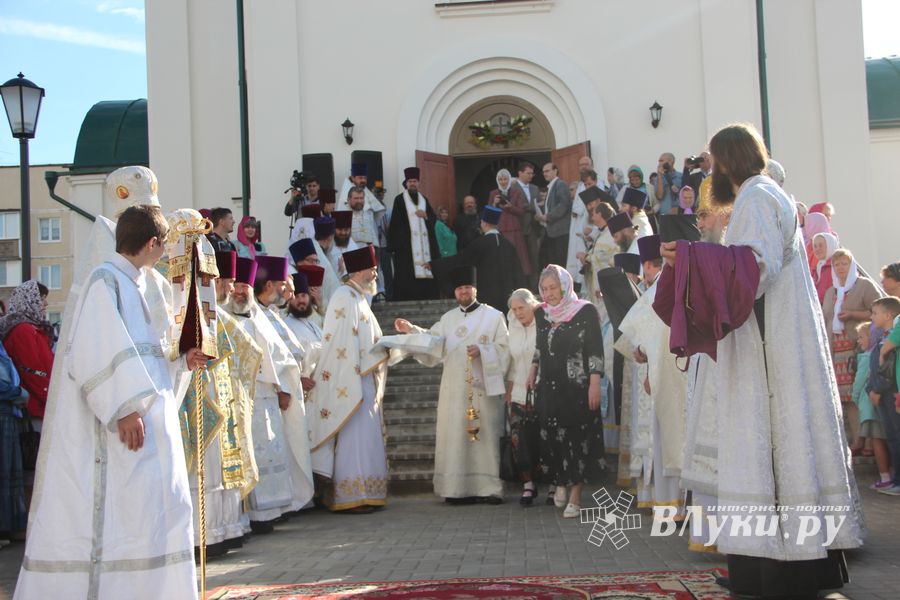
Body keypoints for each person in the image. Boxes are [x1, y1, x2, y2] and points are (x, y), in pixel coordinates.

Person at [658, 123, 862, 599]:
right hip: (776, 339)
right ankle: (775, 566)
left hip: (767, 351)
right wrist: (693, 258)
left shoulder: (755, 196)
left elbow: (754, 266)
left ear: (728, 160)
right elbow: (748, 262)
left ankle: (777, 569)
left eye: (712, 163)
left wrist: (689, 258)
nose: (709, 172)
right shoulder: (767, 194)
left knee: (768, 445)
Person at [16, 205, 206, 599]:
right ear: (151, 243)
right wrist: (124, 408)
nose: (164, 253)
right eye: (163, 245)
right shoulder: (106, 281)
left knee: (155, 513)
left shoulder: (132, 283)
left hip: (147, 430)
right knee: (127, 518)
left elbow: (145, 359)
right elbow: (95, 351)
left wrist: (181, 363)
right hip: (122, 432)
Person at [394, 265, 510, 504]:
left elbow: (506, 349)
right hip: (454, 389)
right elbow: (432, 341)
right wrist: (411, 330)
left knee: (484, 436)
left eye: (467, 287)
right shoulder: (448, 319)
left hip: (482, 389)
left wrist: (484, 351)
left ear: (475, 289)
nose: (464, 291)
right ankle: (456, 489)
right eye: (459, 288)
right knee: (455, 436)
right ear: (454, 292)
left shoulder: (494, 316)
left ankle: (489, 488)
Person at [224, 257, 312, 533]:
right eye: (237, 286)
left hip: (266, 398)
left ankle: (274, 510)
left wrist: (281, 387)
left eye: (245, 287)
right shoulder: (223, 318)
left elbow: (279, 355)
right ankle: (253, 516)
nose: (240, 292)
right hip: (239, 399)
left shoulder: (259, 317)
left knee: (271, 453)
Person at [190, 250, 261, 558]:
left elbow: (250, 352)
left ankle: (224, 530)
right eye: (226, 282)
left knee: (221, 469)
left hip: (223, 398)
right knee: (205, 470)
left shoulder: (219, 316)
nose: (231, 288)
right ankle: (204, 535)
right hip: (200, 399)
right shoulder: (196, 311)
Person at [308, 246, 390, 512]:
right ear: (359, 271)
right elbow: (339, 343)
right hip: (350, 380)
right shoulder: (344, 297)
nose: (375, 274)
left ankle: (368, 492)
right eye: (372, 270)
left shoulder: (360, 298)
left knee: (366, 438)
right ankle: (350, 496)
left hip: (365, 378)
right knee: (353, 438)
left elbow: (369, 339)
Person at [526, 265, 604, 518]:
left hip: (577, 387)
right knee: (551, 436)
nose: (548, 293)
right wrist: (533, 370)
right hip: (549, 385)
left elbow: (595, 349)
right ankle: (560, 480)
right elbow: (539, 346)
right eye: (544, 289)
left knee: (576, 439)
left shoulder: (585, 311)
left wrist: (595, 384)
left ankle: (576, 495)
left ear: (565, 286)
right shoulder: (542, 313)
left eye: (553, 288)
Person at [822, 248, 883, 451]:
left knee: (863, 394)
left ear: (852, 265)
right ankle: (858, 439)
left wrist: (853, 314)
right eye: (836, 264)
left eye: (844, 263)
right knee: (847, 398)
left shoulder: (863, 285)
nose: (840, 268)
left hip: (860, 349)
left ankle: (871, 441)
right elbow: (825, 318)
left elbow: (879, 313)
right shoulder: (830, 292)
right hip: (837, 352)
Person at [0, 281, 54, 430]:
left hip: (40, 404)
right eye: (41, 299)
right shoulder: (23, 330)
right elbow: (32, 371)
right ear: (29, 300)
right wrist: (52, 398)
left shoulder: (33, 328)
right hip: (36, 407)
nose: (45, 303)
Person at [505, 288, 540, 507]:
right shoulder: (513, 325)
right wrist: (509, 390)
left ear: (532, 304)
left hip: (542, 390)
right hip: (518, 392)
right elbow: (512, 361)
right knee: (519, 440)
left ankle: (553, 484)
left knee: (543, 440)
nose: (518, 313)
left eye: (521, 308)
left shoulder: (544, 321)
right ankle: (528, 484)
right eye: (514, 309)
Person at [458, 206, 525, 313]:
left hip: (485, 296)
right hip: (507, 296)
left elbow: (467, 269)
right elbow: (517, 272)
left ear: (484, 223)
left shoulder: (477, 244)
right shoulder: (508, 245)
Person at [851, 321, 892, 489]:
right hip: (883, 405)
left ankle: (885, 477)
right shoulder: (882, 353)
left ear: (872, 337)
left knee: (877, 440)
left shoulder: (867, 357)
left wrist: (855, 396)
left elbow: (859, 381)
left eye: (861, 337)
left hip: (870, 407)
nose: (858, 340)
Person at [388, 167, 439, 300]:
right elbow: (395, 223)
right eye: (410, 181)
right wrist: (401, 243)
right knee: (407, 273)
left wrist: (426, 216)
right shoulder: (400, 200)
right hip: (407, 248)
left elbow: (433, 219)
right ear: (406, 183)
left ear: (418, 183)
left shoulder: (424, 200)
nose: (412, 184)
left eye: (415, 181)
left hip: (424, 246)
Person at [871, 296, 900, 496]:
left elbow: (888, 370)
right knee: (892, 437)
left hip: (891, 393)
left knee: (897, 437)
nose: (872, 317)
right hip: (883, 394)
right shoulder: (882, 337)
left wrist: (878, 389)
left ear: (889, 315)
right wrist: (871, 389)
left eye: (875, 313)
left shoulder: (893, 336)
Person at [0, 339, 24, 544]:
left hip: (9, 414)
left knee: (8, 473)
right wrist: (18, 393)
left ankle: (7, 527)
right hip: (3, 413)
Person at [489, 168, 532, 277]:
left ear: (509, 180)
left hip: (514, 229)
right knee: (502, 257)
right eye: (500, 179)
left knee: (518, 257)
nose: (503, 182)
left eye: (505, 179)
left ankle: (519, 281)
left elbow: (521, 211)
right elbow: (489, 214)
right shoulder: (493, 193)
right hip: (500, 230)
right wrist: (494, 204)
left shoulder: (516, 192)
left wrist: (510, 207)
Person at [536, 163, 570, 269]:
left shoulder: (560, 184)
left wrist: (547, 216)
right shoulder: (551, 186)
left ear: (555, 171)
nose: (544, 174)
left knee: (560, 261)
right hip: (552, 231)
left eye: (547, 171)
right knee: (552, 260)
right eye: (543, 172)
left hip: (560, 231)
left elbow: (563, 205)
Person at [514, 162, 541, 285]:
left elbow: (540, 206)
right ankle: (522, 284)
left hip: (533, 228)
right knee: (520, 258)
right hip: (518, 228)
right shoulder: (513, 188)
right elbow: (519, 206)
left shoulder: (535, 188)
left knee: (534, 257)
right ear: (520, 173)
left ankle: (534, 285)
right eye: (528, 173)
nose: (531, 176)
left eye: (532, 173)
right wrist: (532, 207)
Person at [811, 232, 839, 305]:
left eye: (821, 245)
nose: (817, 249)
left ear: (830, 245)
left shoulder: (837, 266)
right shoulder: (816, 268)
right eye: (815, 246)